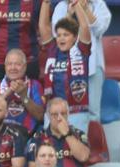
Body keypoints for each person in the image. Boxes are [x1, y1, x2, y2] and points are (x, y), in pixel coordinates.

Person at [37, 1, 94, 134]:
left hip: (76, 112)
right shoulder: (52, 50)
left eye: (66, 35)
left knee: (75, 146)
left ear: (75, 37)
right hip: (52, 112)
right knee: (51, 147)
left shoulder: (82, 50)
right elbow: (43, 26)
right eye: (59, 35)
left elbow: (84, 27)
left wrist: (76, 3)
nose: (61, 38)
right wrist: (46, 2)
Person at [0, 49, 46, 134]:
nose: (13, 68)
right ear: (5, 66)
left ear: (25, 66)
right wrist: (7, 92)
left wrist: (24, 96)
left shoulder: (35, 85)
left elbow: (40, 116)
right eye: (9, 64)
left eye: (17, 64)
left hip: (26, 134)